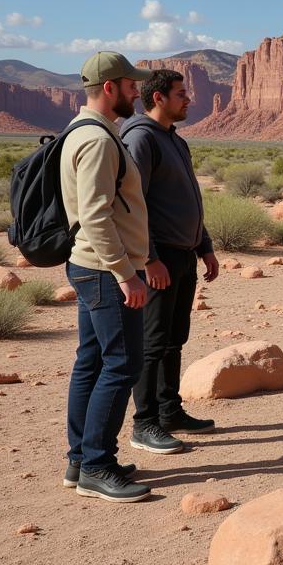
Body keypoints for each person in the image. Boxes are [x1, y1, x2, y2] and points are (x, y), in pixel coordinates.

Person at [60, 52, 154, 502]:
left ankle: (81, 460)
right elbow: (97, 216)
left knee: (92, 363)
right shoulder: (98, 140)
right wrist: (126, 273)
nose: (137, 91)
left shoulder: (83, 131)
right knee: (122, 365)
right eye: (131, 85)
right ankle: (97, 465)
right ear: (110, 88)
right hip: (104, 269)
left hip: (90, 265)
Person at [122, 69, 219, 454]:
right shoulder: (141, 138)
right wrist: (150, 259)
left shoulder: (174, 139)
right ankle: (144, 424)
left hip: (183, 255)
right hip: (159, 258)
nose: (188, 99)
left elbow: (190, 197)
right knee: (153, 342)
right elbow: (133, 204)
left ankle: (169, 411)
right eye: (181, 94)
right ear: (158, 98)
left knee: (174, 338)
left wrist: (205, 245)